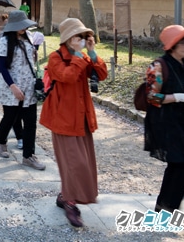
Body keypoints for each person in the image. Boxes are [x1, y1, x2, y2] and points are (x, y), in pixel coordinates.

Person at [39, 18, 108, 228]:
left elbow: (102, 75)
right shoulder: (55, 57)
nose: (81, 40)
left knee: (83, 162)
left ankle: (64, 195)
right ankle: (70, 202)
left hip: (82, 117)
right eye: (78, 36)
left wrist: (92, 52)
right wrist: (79, 56)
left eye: (83, 36)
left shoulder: (83, 56)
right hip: (63, 118)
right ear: (68, 38)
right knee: (73, 162)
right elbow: (67, 76)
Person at [143, 25, 184, 214]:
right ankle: (167, 209)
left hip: (182, 120)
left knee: (178, 165)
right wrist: (179, 97)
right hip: (163, 121)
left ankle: (163, 209)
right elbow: (151, 97)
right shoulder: (158, 66)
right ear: (173, 45)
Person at [0, 10, 45, 171]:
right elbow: (2, 67)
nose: (23, 29)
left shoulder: (29, 37)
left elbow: (31, 59)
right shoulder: (4, 41)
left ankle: (28, 156)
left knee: (30, 122)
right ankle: (1, 141)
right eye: (20, 27)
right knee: (10, 116)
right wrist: (13, 86)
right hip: (12, 86)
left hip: (28, 85)